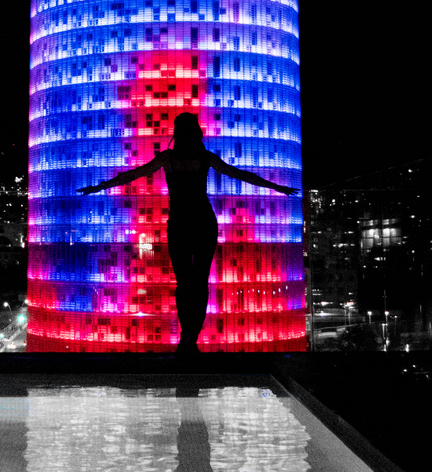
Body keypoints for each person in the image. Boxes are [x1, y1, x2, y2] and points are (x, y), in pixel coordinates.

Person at [77, 112, 298, 358]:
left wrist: (100, 186)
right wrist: (275, 187)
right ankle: (191, 337)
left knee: (184, 283)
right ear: (196, 132)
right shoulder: (204, 158)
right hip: (203, 222)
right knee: (199, 282)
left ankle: (187, 337)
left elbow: (134, 174)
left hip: (180, 224)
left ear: (177, 132)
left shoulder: (168, 159)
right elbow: (240, 174)